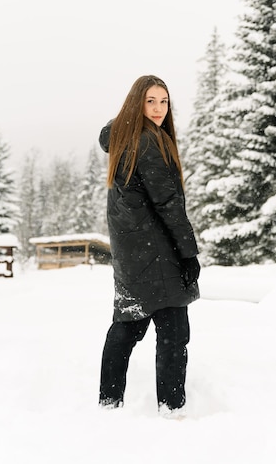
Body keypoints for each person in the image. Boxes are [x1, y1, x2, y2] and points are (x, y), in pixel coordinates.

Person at [98, 75, 200, 418]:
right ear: (136, 104)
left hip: (133, 252)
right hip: (156, 251)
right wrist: (188, 252)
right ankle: (172, 411)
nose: (158, 109)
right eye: (151, 101)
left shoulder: (126, 137)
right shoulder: (146, 141)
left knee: (128, 326)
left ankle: (109, 405)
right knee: (173, 333)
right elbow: (168, 202)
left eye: (164, 101)